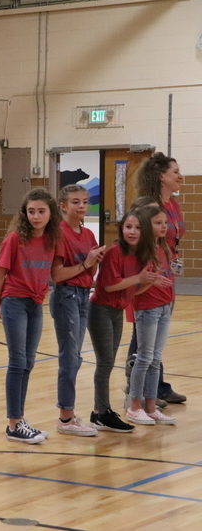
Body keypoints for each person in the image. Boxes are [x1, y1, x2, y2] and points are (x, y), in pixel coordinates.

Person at [0, 188, 61, 444]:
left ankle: (19, 420)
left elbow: (52, 272)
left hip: (35, 304)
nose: (35, 216)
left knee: (29, 363)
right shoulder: (14, 239)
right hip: (15, 301)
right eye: (31, 211)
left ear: (50, 213)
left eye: (41, 211)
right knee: (17, 361)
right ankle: (14, 423)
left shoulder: (52, 239)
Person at [87, 209, 161, 433]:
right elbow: (109, 285)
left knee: (109, 362)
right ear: (122, 229)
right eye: (128, 227)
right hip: (100, 309)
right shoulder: (114, 252)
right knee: (105, 362)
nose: (132, 231)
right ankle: (101, 412)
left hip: (117, 311)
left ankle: (101, 411)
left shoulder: (143, 254)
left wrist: (151, 280)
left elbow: (135, 290)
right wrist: (138, 278)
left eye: (137, 227)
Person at [125, 154, 187, 404]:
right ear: (161, 176)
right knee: (143, 334)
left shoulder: (172, 203)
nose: (180, 175)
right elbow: (135, 240)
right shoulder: (148, 205)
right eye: (175, 171)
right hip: (150, 272)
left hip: (167, 272)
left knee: (155, 335)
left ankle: (156, 386)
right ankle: (137, 390)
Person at [49, 185, 106, 436]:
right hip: (67, 296)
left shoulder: (88, 233)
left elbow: (90, 272)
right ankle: (65, 417)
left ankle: (69, 415)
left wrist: (94, 262)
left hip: (84, 295)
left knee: (76, 356)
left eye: (85, 201)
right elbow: (58, 274)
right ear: (63, 206)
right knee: (69, 358)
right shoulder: (60, 233)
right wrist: (86, 263)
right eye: (75, 202)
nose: (82, 206)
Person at [126, 205, 176, 426]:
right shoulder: (141, 252)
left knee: (156, 358)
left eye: (165, 222)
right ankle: (134, 405)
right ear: (148, 226)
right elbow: (133, 290)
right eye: (158, 223)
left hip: (164, 306)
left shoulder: (163, 248)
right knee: (144, 357)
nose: (163, 226)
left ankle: (151, 406)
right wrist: (151, 281)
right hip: (147, 308)